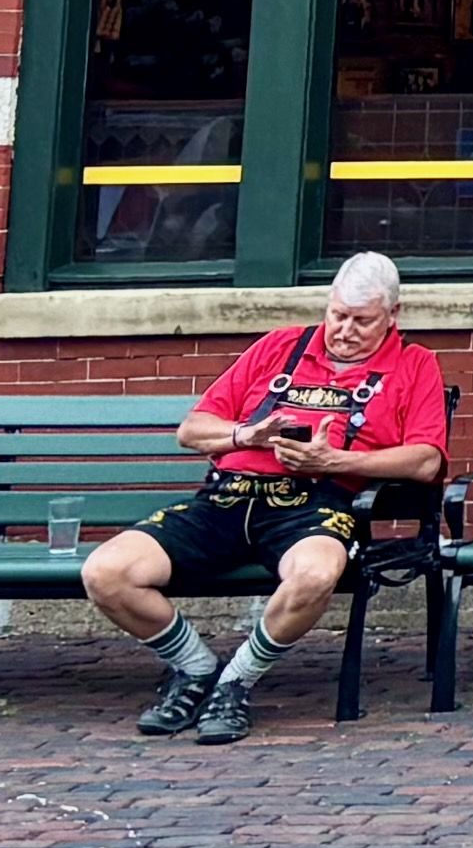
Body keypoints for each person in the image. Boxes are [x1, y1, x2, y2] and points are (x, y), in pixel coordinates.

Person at [80, 251, 448, 745]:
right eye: (338, 315)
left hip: (315, 505)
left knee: (315, 575)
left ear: (393, 316)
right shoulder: (280, 347)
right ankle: (195, 669)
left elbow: (425, 460)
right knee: (105, 573)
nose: (344, 331)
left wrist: (334, 462)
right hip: (227, 499)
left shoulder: (413, 364)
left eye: (362, 321)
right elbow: (192, 430)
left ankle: (236, 682)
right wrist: (246, 436)